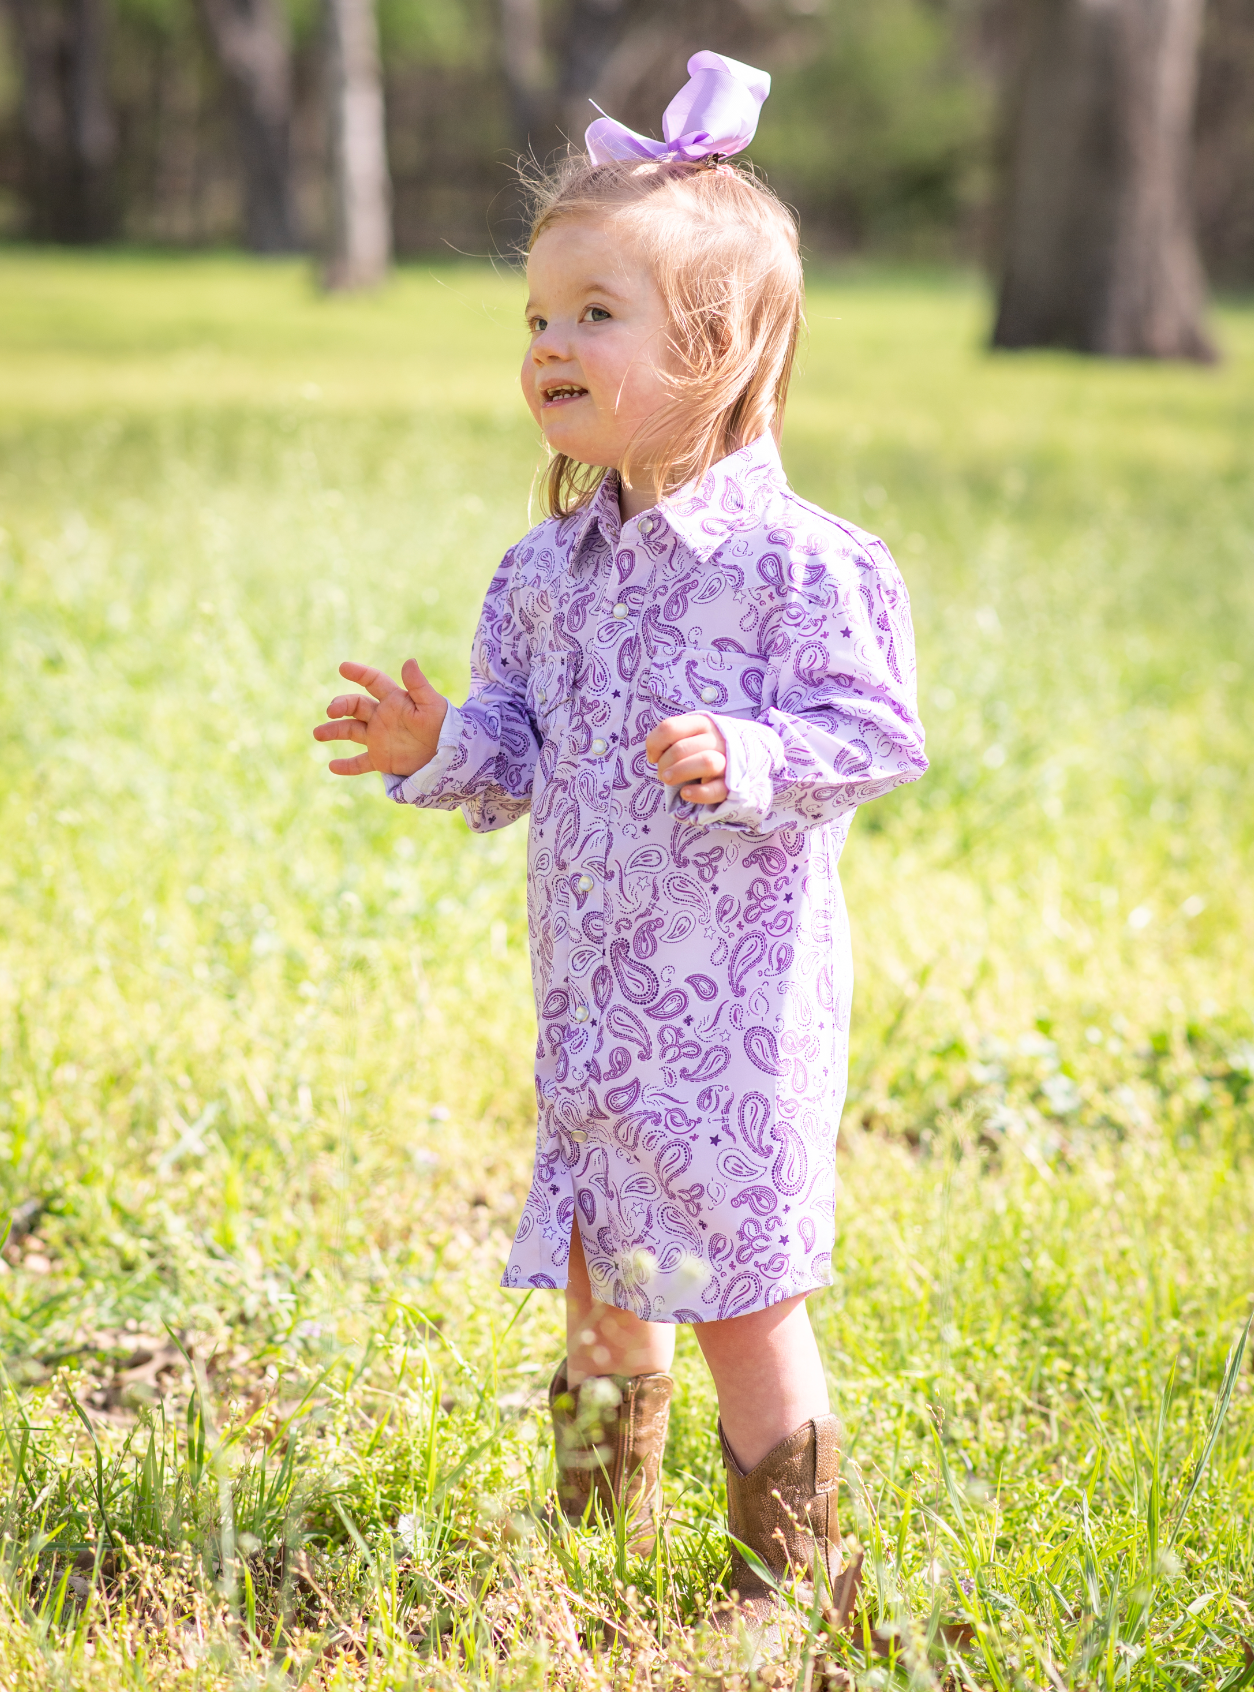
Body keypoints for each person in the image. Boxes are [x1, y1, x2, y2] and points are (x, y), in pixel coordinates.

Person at [314, 52, 927, 1633]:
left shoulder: (801, 568)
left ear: (711, 347)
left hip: (728, 1024)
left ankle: (787, 1585)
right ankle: (592, 1549)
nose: (548, 346)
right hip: (594, 1024)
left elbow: (875, 738)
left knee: (738, 1306)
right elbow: (513, 754)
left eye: (593, 313)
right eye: (534, 316)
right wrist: (440, 745)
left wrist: (750, 752)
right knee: (602, 1299)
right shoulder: (544, 573)